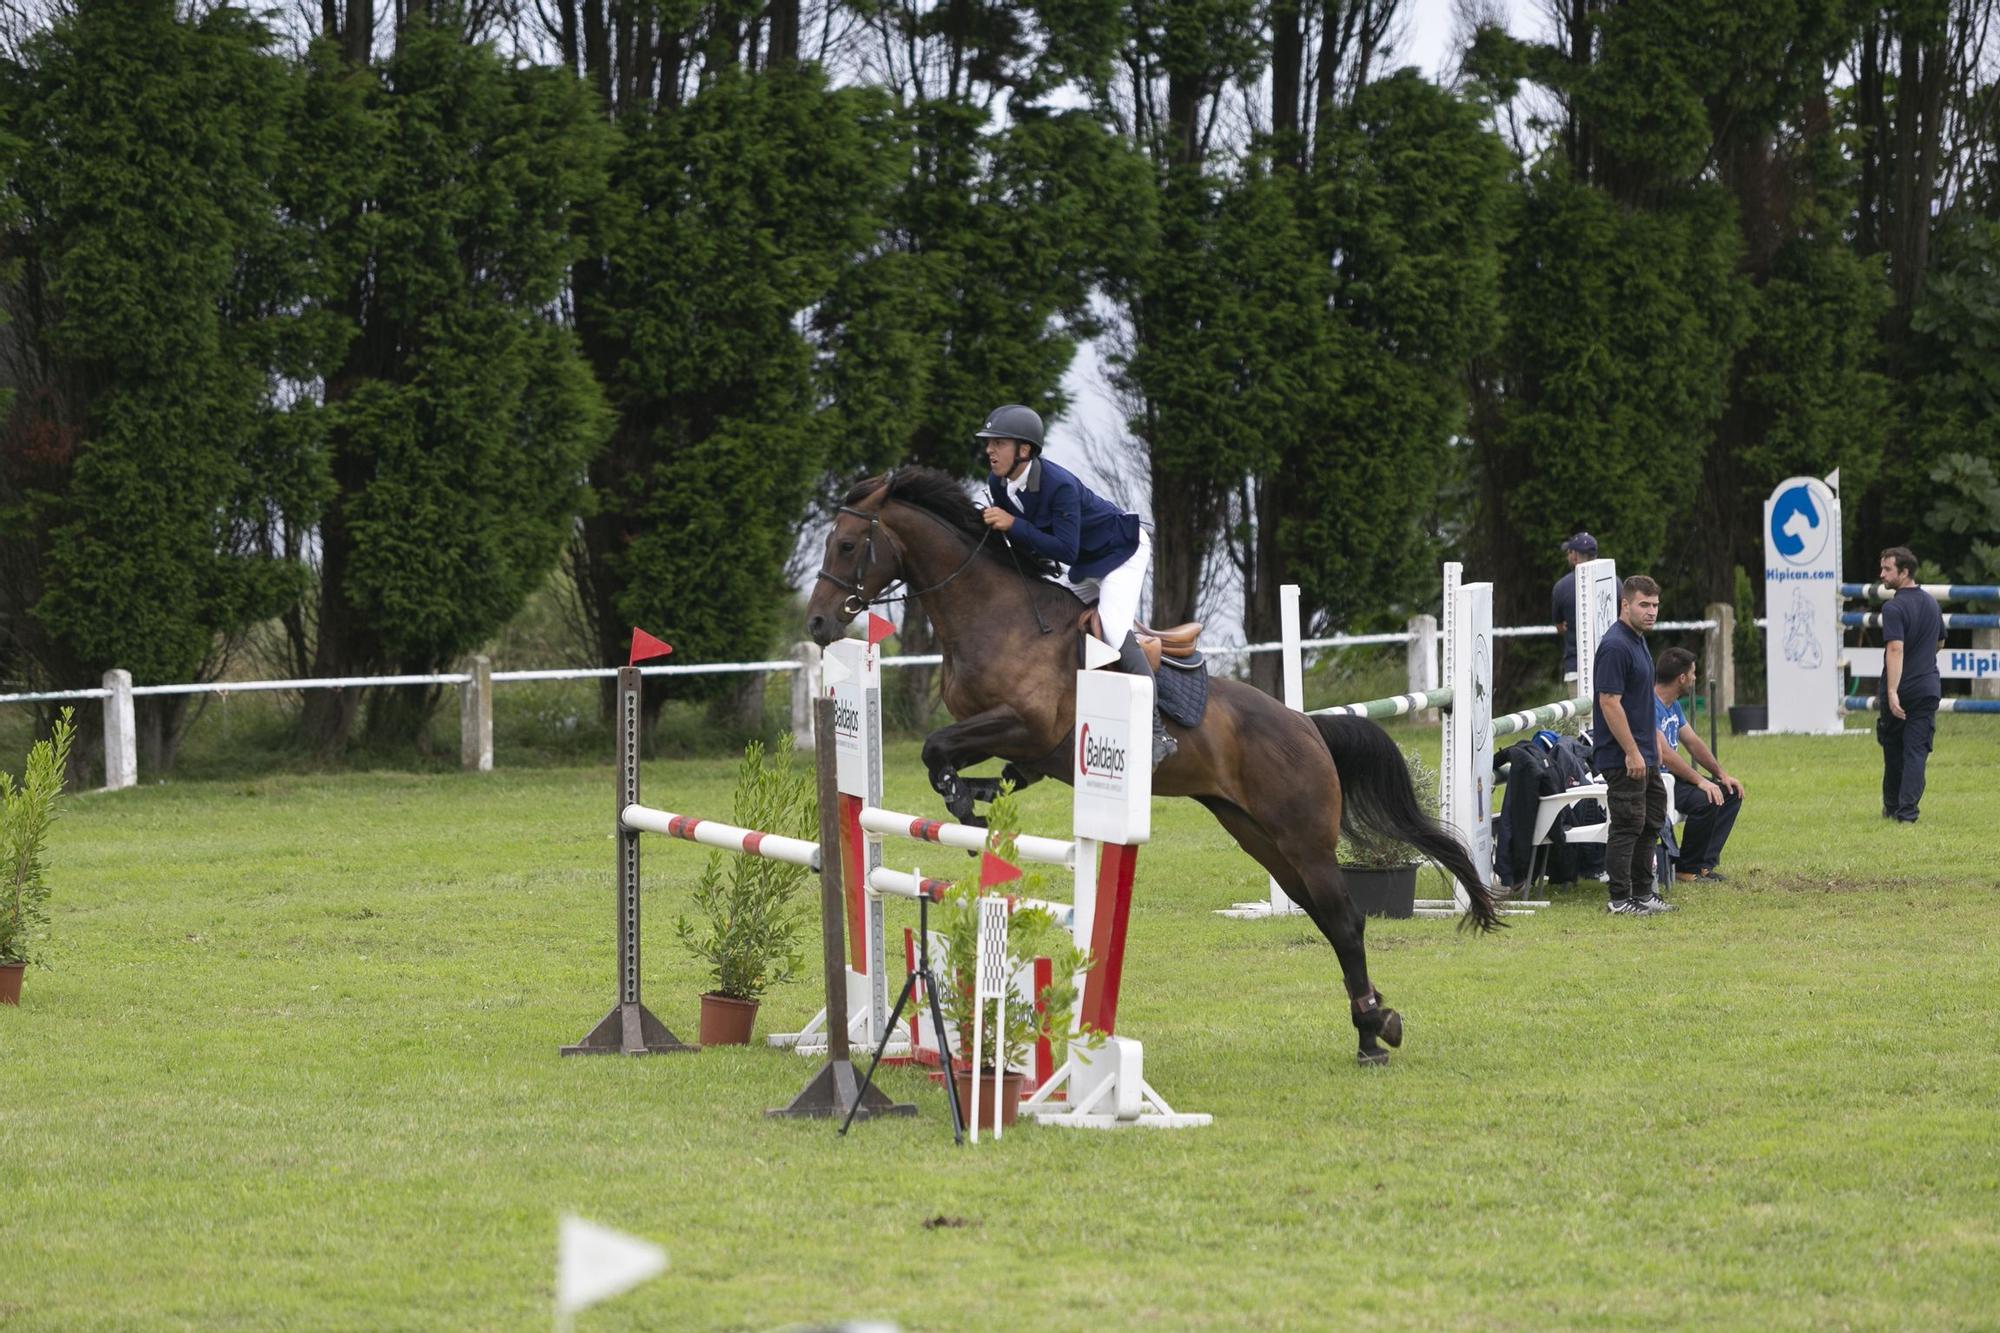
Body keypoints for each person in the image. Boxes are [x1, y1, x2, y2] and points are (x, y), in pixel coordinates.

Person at [975, 404, 1175, 768]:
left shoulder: (1059, 484)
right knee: (1057, 612)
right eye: (989, 443)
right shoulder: (997, 484)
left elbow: (1063, 548)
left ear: (1024, 450)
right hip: (1087, 561)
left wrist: (1012, 525)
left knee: (1113, 630)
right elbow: (1030, 543)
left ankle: (1157, 731)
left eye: (999, 443)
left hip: (1122, 551)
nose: (990, 450)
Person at [1591, 574, 1675, 916]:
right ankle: (1619, 899)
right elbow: (1609, 702)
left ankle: (1643, 893)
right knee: (1627, 824)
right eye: (1644, 605)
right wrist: (1631, 751)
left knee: (1652, 820)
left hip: (1645, 753)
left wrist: (1649, 748)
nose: (1651, 611)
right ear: (1625, 605)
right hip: (1625, 755)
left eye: (1655, 605)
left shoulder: (1638, 640)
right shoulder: (1615, 645)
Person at [1652, 647, 1745, 883]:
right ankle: (1686, 868)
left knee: (1730, 793)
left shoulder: (1673, 704)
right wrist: (1701, 781)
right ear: (1681, 677)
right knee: (1706, 799)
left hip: (1674, 779)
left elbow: (1693, 742)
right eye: (1693, 673)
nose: (1695, 678)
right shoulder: (1649, 706)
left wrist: (1721, 774)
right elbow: (1664, 754)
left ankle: (1704, 864)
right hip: (1657, 780)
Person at [1875, 546, 1943, 822]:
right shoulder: (1931, 603)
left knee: (1893, 748)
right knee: (1916, 751)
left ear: (1904, 572)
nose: (1881, 574)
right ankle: (1907, 813)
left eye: (1887, 569)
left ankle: (1892, 807)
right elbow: (1940, 642)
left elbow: (1895, 649)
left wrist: (1892, 690)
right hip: (1927, 687)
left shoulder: (1893, 607)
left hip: (1901, 690)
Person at [1553, 532, 1597, 683]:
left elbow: (1559, 627)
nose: (1567, 555)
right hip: (1609, 665)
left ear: (1575, 556)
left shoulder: (1561, 587)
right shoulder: (1615, 581)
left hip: (1576, 667)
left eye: (1569, 552)